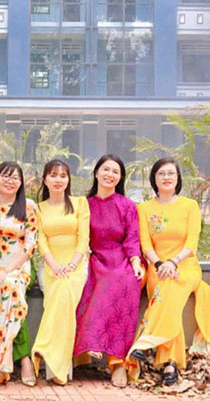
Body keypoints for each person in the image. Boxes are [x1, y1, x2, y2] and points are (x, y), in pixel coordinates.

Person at [126, 157, 210, 385]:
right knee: (167, 293)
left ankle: (146, 341)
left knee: (169, 287)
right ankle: (169, 363)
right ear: (154, 179)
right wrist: (159, 264)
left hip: (185, 266)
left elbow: (191, 243)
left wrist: (173, 262)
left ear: (177, 178)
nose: (166, 177)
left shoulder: (189, 206)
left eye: (170, 173)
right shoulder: (144, 208)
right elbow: (146, 244)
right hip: (158, 268)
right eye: (161, 173)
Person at [73, 155, 144, 388]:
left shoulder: (127, 205)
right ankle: (88, 347)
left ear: (120, 178)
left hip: (123, 260)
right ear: (96, 173)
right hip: (95, 259)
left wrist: (135, 262)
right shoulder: (84, 205)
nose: (110, 175)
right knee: (90, 286)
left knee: (121, 282)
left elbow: (132, 238)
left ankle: (118, 362)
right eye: (105, 169)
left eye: (115, 171)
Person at [0, 161, 38, 386]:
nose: (10, 181)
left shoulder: (28, 206)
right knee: (7, 296)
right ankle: (15, 358)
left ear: (21, 182)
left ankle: (0, 362)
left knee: (11, 287)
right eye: (5, 176)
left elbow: (30, 246)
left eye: (15, 177)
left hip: (18, 267)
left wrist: (7, 270)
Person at [31, 159, 90, 385]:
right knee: (60, 297)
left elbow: (83, 239)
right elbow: (41, 241)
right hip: (51, 265)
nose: (58, 180)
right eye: (53, 175)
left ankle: (44, 347)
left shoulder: (80, 203)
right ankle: (58, 369)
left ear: (68, 180)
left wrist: (72, 265)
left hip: (76, 264)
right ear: (45, 180)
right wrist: (54, 265)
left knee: (64, 289)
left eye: (63, 175)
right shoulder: (38, 209)